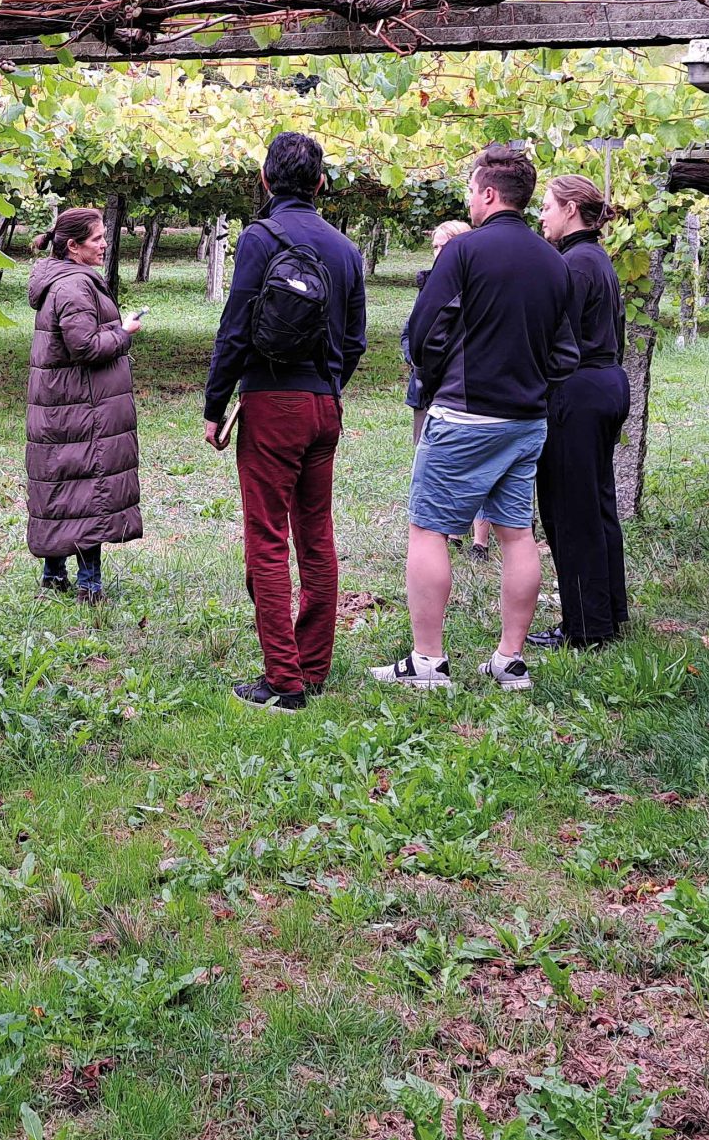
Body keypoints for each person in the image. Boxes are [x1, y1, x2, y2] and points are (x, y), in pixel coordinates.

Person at [375, 143, 575, 694]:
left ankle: (428, 662)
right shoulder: (555, 262)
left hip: (465, 415)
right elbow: (566, 353)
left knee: (429, 529)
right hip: (527, 420)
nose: (469, 201)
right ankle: (510, 660)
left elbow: (422, 331)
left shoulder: (462, 254)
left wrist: (435, 379)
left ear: (488, 194)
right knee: (517, 534)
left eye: (470, 191)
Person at [202, 131, 368, 713]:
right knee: (316, 535)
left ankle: (283, 680)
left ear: (266, 181)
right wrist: (326, 387)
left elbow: (235, 331)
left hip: (273, 407)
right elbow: (355, 341)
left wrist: (215, 405)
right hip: (325, 408)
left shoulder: (259, 238)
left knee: (268, 539)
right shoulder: (346, 250)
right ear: (321, 184)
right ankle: (313, 665)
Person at [25, 206, 145, 602]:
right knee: (87, 494)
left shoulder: (61, 280)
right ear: (73, 246)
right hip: (80, 409)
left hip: (65, 406)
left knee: (63, 491)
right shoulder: (74, 286)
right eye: (97, 238)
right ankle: (88, 585)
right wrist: (124, 332)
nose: (105, 244)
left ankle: (54, 576)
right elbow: (85, 346)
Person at [530, 175, 629, 649]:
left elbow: (555, 336)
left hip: (580, 389)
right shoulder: (596, 259)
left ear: (571, 209)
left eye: (548, 206)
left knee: (570, 509)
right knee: (596, 503)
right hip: (607, 381)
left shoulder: (573, 264)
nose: (542, 214)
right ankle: (608, 613)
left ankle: (586, 626)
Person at [409, 219, 491, 562]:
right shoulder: (430, 282)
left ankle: (479, 539)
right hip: (429, 390)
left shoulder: (478, 284)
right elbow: (414, 332)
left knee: (479, 465)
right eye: (435, 247)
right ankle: (448, 529)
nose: (438, 253)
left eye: (443, 245)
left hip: (464, 393)